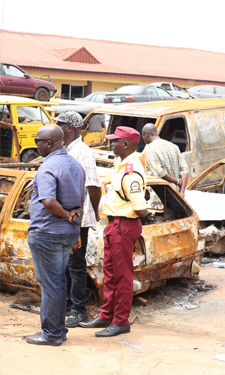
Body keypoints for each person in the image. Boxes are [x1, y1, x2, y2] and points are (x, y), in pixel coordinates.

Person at [80, 126, 149, 337]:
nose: (112, 144)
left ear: (126, 145)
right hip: (115, 225)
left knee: (122, 276)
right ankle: (106, 315)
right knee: (109, 275)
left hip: (124, 225)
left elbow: (140, 208)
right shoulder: (122, 164)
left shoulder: (131, 171)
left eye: (115, 141)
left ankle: (120, 321)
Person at [25, 124, 85, 346]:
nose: (36, 145)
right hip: (66, 234)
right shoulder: (75, 165)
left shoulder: (47, 167)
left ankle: (52, 334)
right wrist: (75, 228)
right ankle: (58, 329)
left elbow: (49, 202)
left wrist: (67, 218)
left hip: (47, 233)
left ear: (49, 143)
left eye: (38, 141)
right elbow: (80, 204)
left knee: (52, 284)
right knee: (58, 282)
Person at [54, 111, 102, 328]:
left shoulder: (82, 152)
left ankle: (79, 310)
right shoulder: (65, 150)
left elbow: (93, 186)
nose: (56, 128)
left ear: (70, 128)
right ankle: (65, 305)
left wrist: (95, 212)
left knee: (75, 264)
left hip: (78, 219)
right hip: (65, 217)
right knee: (64, 263)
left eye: (60, 124)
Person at [141, 123, 189, 196]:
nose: (144, 140)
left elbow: (160, 172)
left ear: (146, 135)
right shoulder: (173, 146)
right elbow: (185, 169)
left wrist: (176, 181)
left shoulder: (150, 148)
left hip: (159, 197)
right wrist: (182, 192)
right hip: (176, 196)